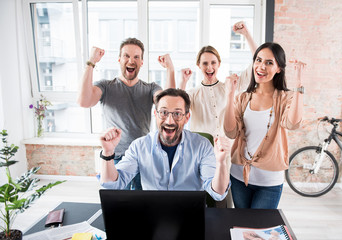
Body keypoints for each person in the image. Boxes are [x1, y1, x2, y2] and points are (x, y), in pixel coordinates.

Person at [98, 88, 230, 201]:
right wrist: (108, 153)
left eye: (177, 114)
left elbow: (218, 193)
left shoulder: (202, 145)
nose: (170, 120)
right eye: (164, 112)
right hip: (152, 215)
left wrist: (221, 162)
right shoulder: (139, 146)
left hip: (189, 215)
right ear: (155, 114)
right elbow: (113, 185)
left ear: (187, 118)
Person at [78, 38, 175, 190]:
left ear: (141, 62)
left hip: (143, 157)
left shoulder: (150, 88)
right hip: (115, 158)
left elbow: (169, 105)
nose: (131, 60)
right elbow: (84, 101)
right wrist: (91, 62)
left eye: (136, 57)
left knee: (142, 205)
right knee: (119, 206)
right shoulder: (106, 86)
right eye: (126, 56)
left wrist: (170, 69)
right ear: (119, 59)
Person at [178, 21, 257, 207]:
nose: (209, 67)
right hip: (200, 157)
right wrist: (183, 81)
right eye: (205, 63)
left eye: (213, 62)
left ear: (219, 64)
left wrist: (246, 35)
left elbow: (256, 64)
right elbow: (176, 104)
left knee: (224, 205)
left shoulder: (229, 87)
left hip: (227, 156)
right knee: (202, 204)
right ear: (199, 65)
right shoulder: (193, 94)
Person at [223, 42, 305, 209]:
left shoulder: (286, 97)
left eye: (269, 62)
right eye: (258, 60)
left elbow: (292, 123)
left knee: (260, 231)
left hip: (269, 182)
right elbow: (230, 133)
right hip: (239, 177)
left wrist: (299, 84)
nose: (261, 66)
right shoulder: (242, 98)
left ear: (279, 69)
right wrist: (230, 95)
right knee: (242, 227)